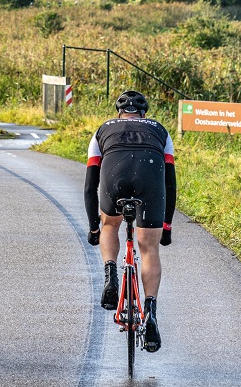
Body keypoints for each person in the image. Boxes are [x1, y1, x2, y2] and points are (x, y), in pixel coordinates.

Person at [83, 90, 177, 353]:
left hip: (115, 177)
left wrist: (94, 226)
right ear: (144, 113)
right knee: (148, 247)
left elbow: (91, 184)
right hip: (149, 179)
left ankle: (111, 274)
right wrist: (166, 226)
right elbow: (170, 182)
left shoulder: (103, 130)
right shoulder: (160, 130)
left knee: (110, 224)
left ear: (119, 113)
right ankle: (150, 313)